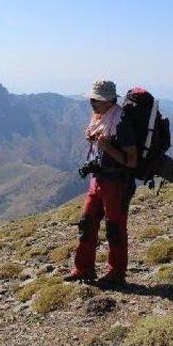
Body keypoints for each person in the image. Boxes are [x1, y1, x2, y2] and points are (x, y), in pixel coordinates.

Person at [64, 80, 138, 287]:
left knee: (114, 228)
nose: (91, 102)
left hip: (116, 183)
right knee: (87, 223)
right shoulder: (101, 117)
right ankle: (83, 269)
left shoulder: (121, 123)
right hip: (98, 179)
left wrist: (107, 147)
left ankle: (116, 273)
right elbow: (100, 144)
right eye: (92, 98)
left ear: (109, 101)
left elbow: (132, 160)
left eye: (96, 99)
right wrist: (95, 141)